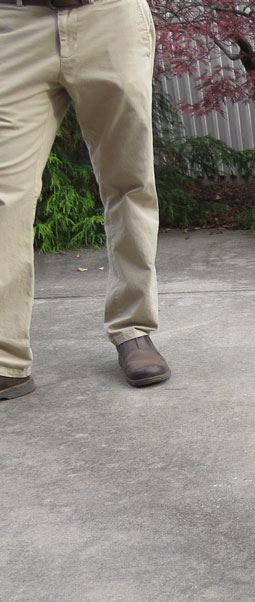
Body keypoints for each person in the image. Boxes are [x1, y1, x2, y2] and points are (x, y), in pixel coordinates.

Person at [0, 0, 170, 402]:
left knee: (128, 181)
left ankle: (133, 329)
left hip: (109, 17)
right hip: (13, 22)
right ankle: (5, 355)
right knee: (5, 191)